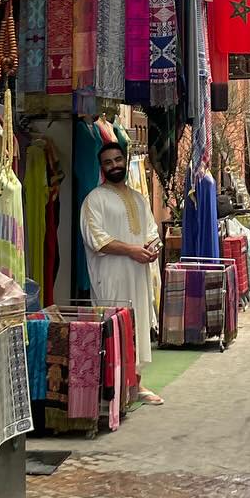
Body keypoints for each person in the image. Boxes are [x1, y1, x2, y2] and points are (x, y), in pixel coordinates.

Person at [80, 136, 164, 404]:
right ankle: (112, 389)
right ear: (101, 168)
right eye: (108, 162)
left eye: (118, 160)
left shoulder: (139, 199)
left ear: (125, 162)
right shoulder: (94, 200)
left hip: (138, 275)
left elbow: (151, 230)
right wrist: (131, 250)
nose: (114, 165)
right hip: (111, 277)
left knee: (137, 325)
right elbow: (97, 240)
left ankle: (136, 385)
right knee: (113, 328)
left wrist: (153, 247)